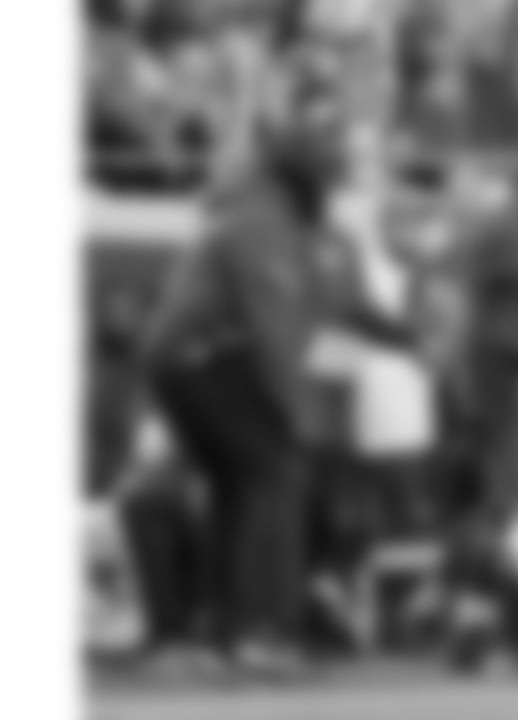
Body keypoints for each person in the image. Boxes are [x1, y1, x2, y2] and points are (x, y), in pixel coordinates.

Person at [140, 101, 344, 675]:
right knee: (274, 475)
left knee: (240, 484)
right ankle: (260, 631)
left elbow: (314, 307)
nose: (333, 184)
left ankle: (225, 630)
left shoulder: (274, 216)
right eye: (328, 174)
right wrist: (294, 409)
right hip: (209, 357)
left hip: (197, 359)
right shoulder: (266, 220)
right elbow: (273, 323)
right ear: (303, 176)